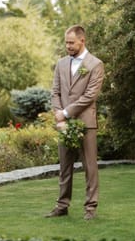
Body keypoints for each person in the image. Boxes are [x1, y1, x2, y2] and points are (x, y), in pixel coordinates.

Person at [45, 25, 105, 220]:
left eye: (71, 42)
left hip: (85, 123)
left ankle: (90, 208)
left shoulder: (95, 64)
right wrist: (58, 115)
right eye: (66, 42)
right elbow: (55, 91)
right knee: (64, 167)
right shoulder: (61, 64)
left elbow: (90, 96)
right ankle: (62, 206)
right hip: (64, 124)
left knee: (90, 167)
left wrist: (65, 112)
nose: (68, 46)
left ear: (82, 41)